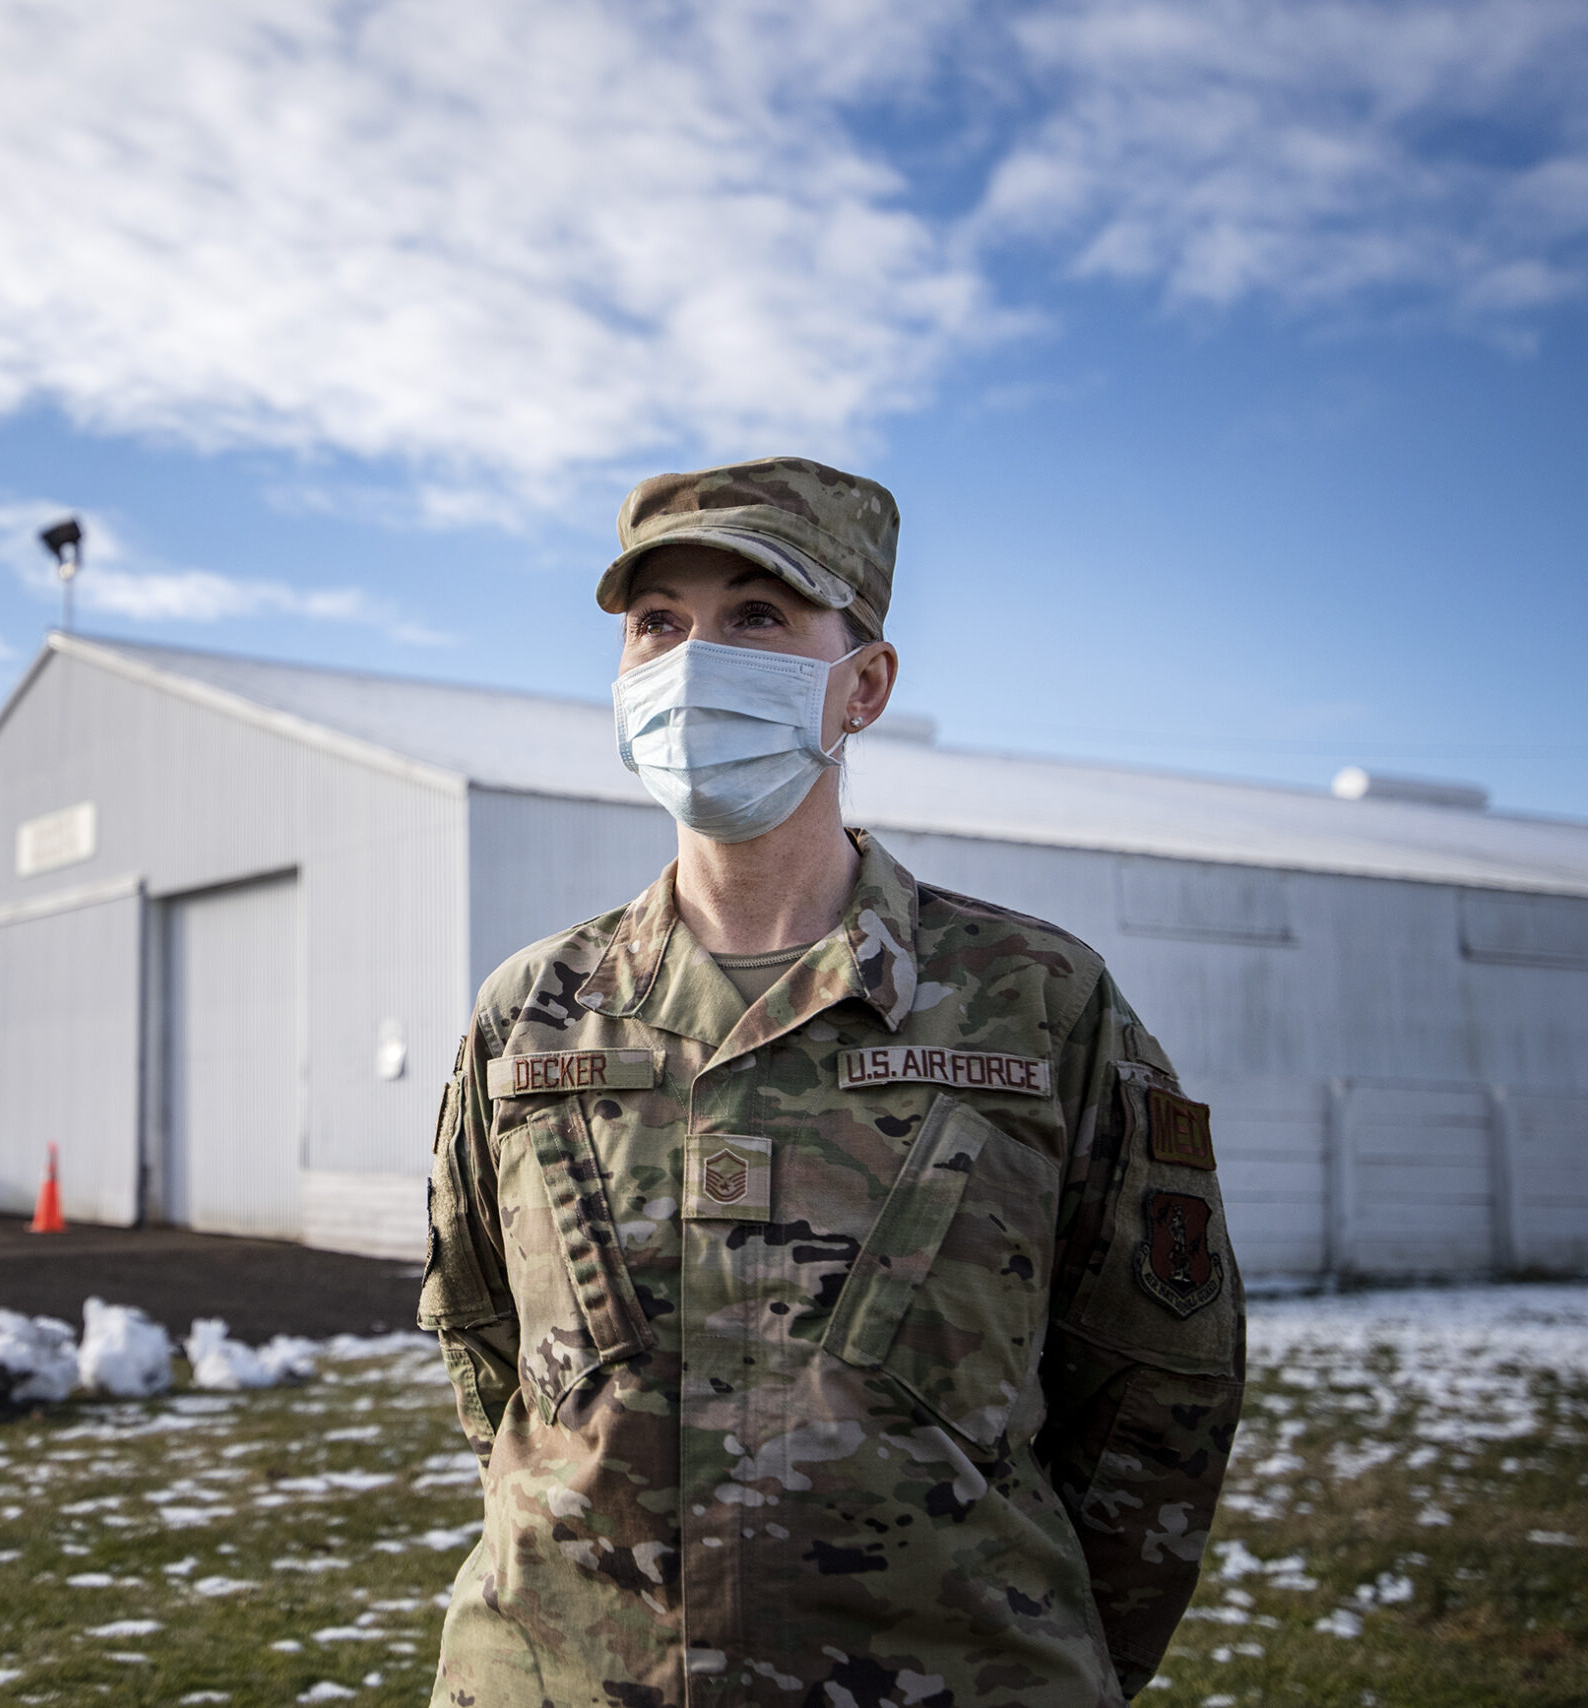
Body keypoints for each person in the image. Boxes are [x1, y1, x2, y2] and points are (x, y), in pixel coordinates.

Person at [419, 457, 1244, 1707]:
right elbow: (488, 1354)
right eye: (659, 623)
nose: (696, 658)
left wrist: (1037, 1652)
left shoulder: (1038, 1001)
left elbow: (1157, 1387)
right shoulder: (527, 1013)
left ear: (862, 684)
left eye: (756, 615)